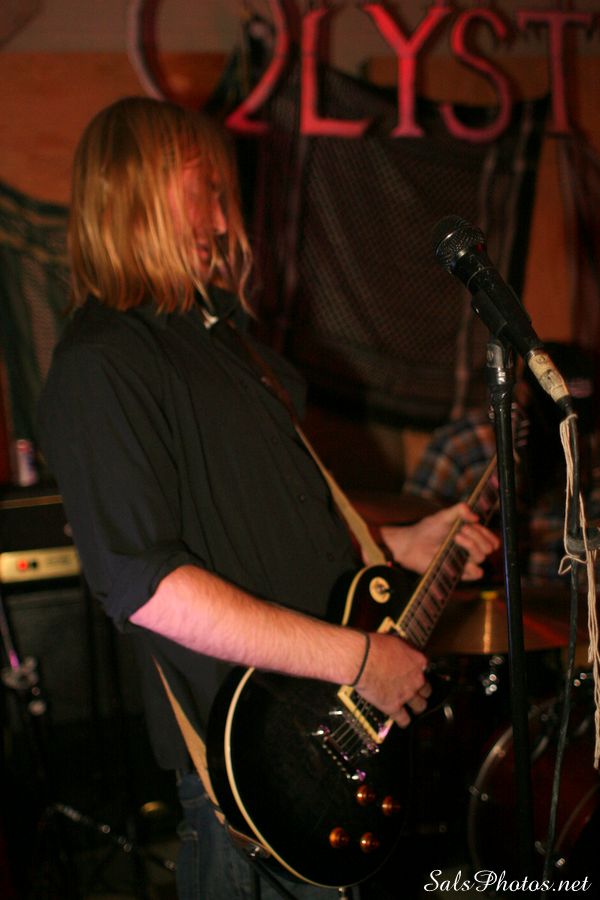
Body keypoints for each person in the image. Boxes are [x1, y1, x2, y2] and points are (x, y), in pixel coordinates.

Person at [38, 96, 498, 900]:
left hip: (322, 750)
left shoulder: (223, 344)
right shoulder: (102, 360)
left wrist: (397, 544)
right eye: (206, 190)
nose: (223, 219)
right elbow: (147, 588)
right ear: (139, 188)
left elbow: (266, 532)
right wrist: (360, 659)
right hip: (251, 783)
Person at [404, 342, 600, 583]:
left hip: (558, 599)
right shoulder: (462, 444)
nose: (569, 435)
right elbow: (413, 522)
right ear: (523, 392)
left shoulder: (590, 447)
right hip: (477, 596)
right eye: (556, 420)